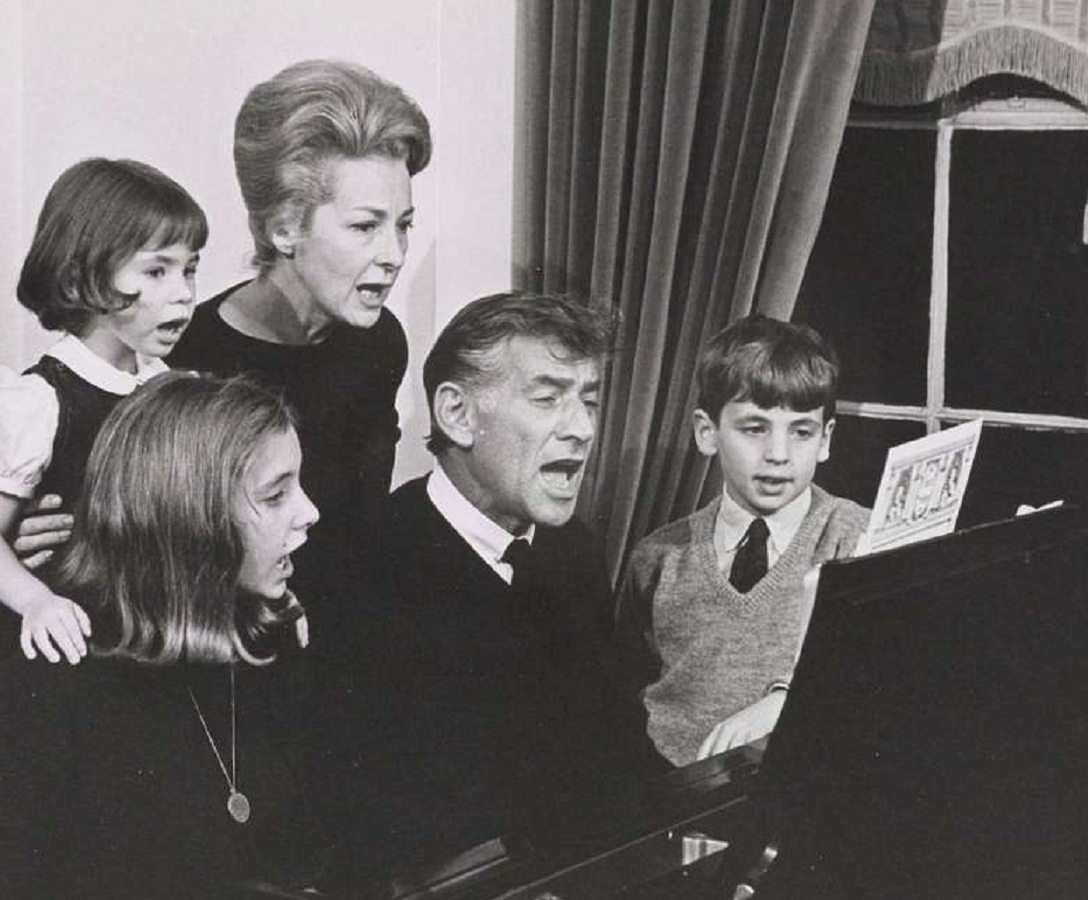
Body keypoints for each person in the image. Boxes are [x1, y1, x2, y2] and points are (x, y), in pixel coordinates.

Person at [0, 373, 322, 900]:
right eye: (275, 495)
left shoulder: (269, 643)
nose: (309, 512)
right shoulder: (40, 692)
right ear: (188, 519)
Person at [320, 292, 668, 879]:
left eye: (588, 400)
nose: (582, 429)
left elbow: (615, 745)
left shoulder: (571, 549)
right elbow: (383, 828)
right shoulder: (364, 569)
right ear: (457, 414)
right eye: (547, 398)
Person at [0, 158, 207, 721]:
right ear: (83, 279)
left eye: (189, 270)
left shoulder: (171, 390)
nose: (183, 295)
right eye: (157, 272)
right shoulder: (39, 399)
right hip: (48, 651)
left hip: (131, 646)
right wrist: (35, 601)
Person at [168, 58, 432, 574]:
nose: (395, 254)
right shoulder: (186, 356)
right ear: (284, 229)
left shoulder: (379, 342)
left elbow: (364, 527)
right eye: (364, 227)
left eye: (403, 225)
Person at [614, 314, 869, 766]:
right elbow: (627, 693)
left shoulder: (856, 539)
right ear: (706, 432)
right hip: (669, 799)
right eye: (754, 428)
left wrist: (782, 702)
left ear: (826, 440)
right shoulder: (657, 557)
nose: (778, 453)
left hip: (799, 797)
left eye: (802, 431)